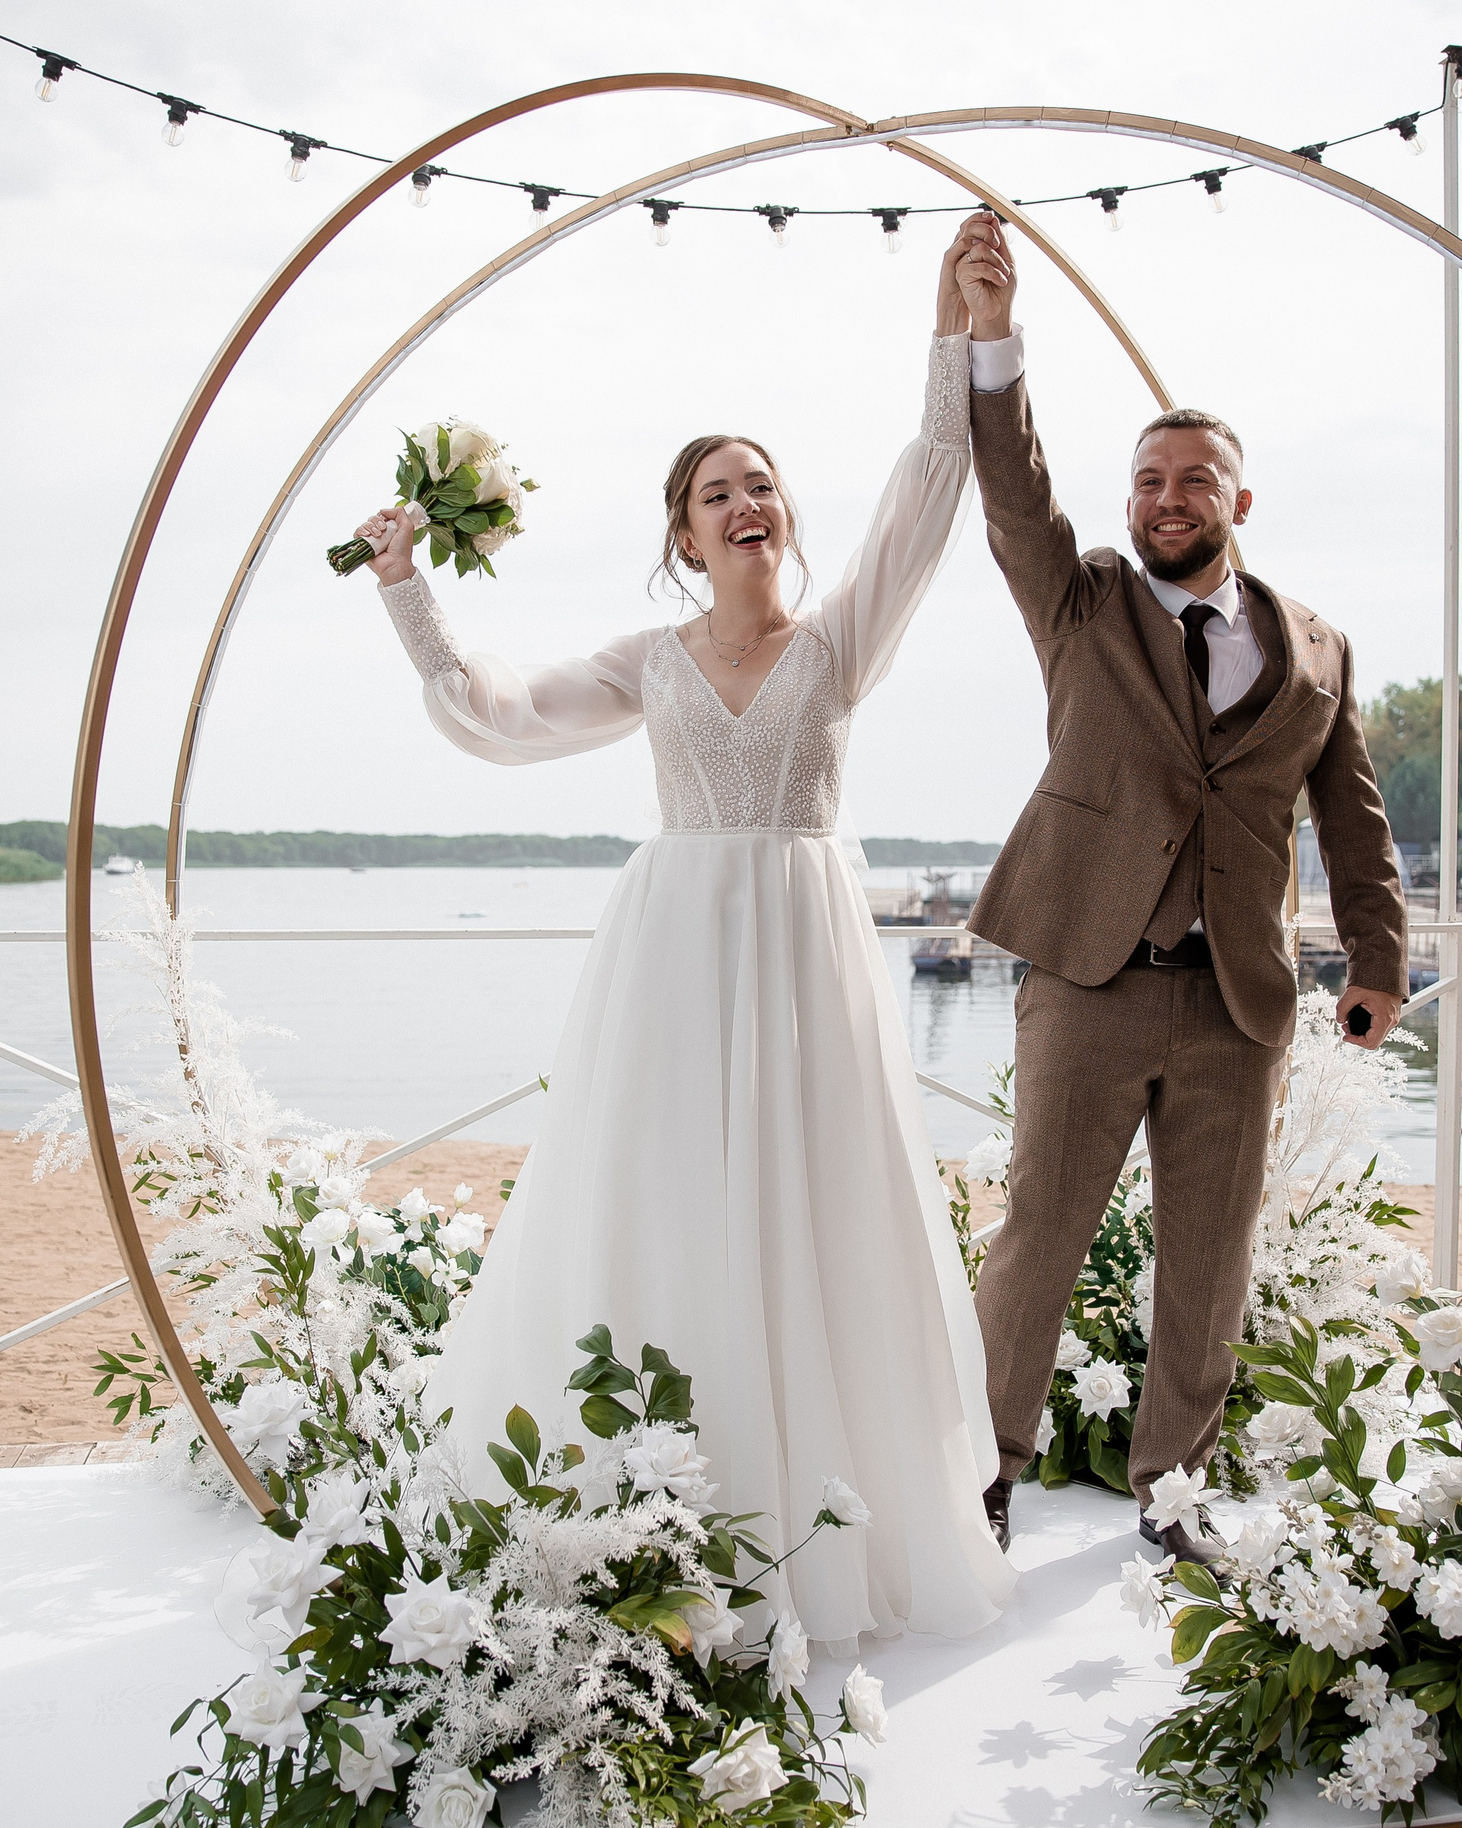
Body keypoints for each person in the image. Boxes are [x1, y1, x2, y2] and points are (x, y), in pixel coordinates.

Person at [342, 259, 1012, 1652]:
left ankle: (819, 1515)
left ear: (784, 518)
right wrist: (406, 590)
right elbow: (500, 710)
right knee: (664, 1198)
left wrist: (957, 335)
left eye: (761, 483)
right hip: (674, 965)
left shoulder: (841, 641)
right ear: (685, 536)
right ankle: (650, 1501)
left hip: (806, 960)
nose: (745, 501)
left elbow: (931, 485)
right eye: (717, 492)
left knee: (817, 1199)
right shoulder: (648, 662)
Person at [945, 211, 1410, 1562]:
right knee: (1040, 1237)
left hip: (1237, 999)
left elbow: (1354, 815)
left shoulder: (1316, 646)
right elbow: (1014, 492)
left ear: (1238, 503)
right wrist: (993, 337)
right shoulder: (1082, 603)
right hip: (1088, 979)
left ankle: (1176, 1488)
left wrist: (1378, 960)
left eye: (1194, 480)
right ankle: (983, 1474)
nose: (1166, 497)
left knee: (1210, 1258)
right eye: (1148, 479)